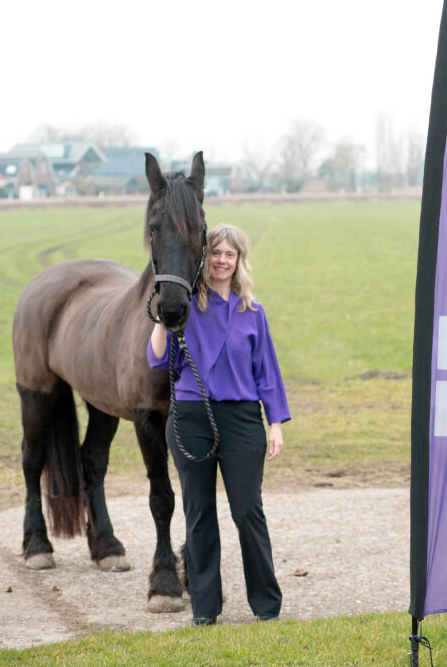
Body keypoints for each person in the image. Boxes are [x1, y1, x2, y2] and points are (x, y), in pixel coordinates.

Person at [147, 222, 290, 626]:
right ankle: (205, 608)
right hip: (191, 417)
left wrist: (275, 423)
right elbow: (157, 358)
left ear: (239, 260)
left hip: (242, 420)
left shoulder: (253, 313)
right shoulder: (188, 306)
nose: (222, 260)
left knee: (248, 511)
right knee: (199, 513)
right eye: (215, 253)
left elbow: (267, 371)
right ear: (203, 258)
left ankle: (266, 604)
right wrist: (161, 314)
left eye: (230, 254)